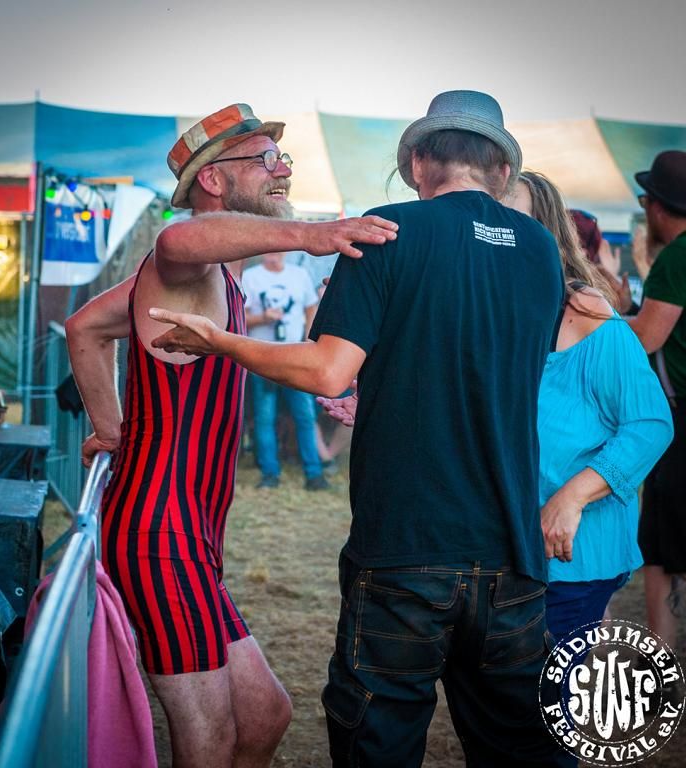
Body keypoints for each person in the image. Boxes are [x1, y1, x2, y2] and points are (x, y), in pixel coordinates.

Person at [148, 90, 575, 767]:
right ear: (500, 170)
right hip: (512, 555)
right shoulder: (541, 249)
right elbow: (486, 363)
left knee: (379, 746)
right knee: (522, 750)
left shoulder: (386, 230)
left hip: (407, 548)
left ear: (417, 163)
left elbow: (327, 372)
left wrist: (221, 342)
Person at [65, 103, 398, 768]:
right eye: (266, 159)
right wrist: (314, 235)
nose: (283, 169)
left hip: (192, 540)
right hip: (158, 537)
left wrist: (110, 428)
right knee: (210, 737)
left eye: (282, 157)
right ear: (213, 180)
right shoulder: (180, 261)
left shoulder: (215, 277)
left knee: (266, 715)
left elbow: (85, 327)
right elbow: (177, 242)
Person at [509, 172, 673, 642]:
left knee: (550, 681)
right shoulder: (493, 306)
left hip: (571, 555)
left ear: (546, 233)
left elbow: (650, 423)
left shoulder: (584, 309)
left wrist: (572, 497)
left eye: (513, 218)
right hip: (503, 548)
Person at [615, 150, 686, 650]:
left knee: (662, 544)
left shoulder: (676, 257)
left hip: (681, 421)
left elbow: (646, 338)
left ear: (657, 207)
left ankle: (659, 660)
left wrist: (600, 318)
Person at [243, 251, 328, 490]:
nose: (274, 254)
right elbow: (240, 317)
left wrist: (309, 342)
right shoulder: (251, 276)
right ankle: (270, 473)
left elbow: (311, 309)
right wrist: (263, 318)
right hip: (262, 358)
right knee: (265, 417)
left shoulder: (299, 275)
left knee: (305, 416)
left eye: (277, 250)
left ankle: (314, 474)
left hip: (295, 358)